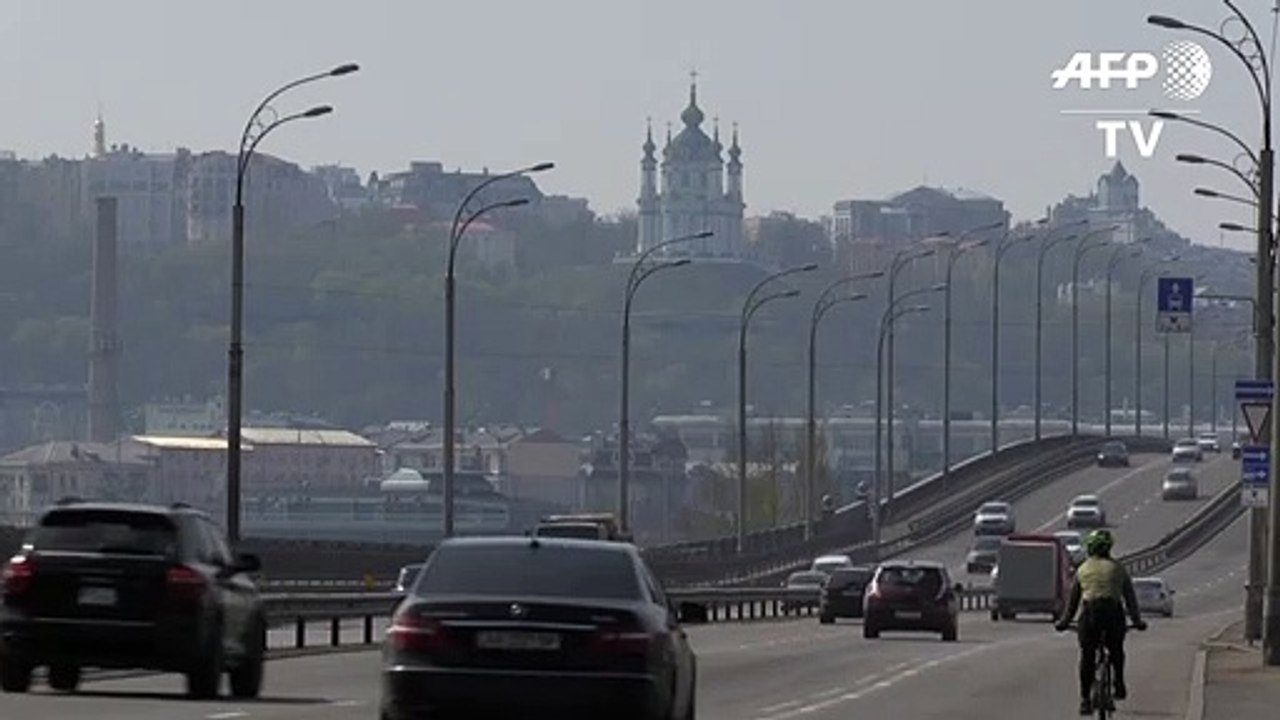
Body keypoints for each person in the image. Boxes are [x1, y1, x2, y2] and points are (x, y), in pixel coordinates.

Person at [1055, 529, 1147, 715]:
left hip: (1091, 615)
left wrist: (1064, 622)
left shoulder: (1083, 569)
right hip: (1113, 614)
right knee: (1116, 650)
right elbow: (1130, 599)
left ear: (1089, 548)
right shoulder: (1118, 568)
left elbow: (1073, 603)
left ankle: (1085, 700)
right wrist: (1137, 621)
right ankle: (1119, 684)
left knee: (1087, 656)